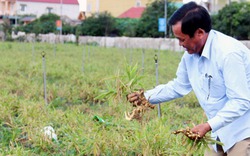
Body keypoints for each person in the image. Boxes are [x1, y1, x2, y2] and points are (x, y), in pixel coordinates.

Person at [127, 1, 250, 155]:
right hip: (218, 131)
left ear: (199, 32)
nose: (180, 44)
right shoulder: (189, 57)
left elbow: (241, 101)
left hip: (243, 131)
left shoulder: (228, 54)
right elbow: (178, 86)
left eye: (182, 39)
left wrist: (207, 125)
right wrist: (145, 97)